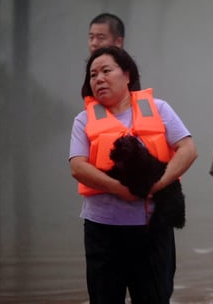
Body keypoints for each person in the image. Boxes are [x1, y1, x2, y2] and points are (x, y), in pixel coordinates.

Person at [69, 46, 197, 303]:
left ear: (127, 75)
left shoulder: (159, 109)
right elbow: (78, 167)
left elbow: (188, 149)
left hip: (152, 230)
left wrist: (158, 185)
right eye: (93, 75)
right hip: (102, 232)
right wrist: (121, 190)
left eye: (106, 71)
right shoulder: (83, 120)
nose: (99, 79)